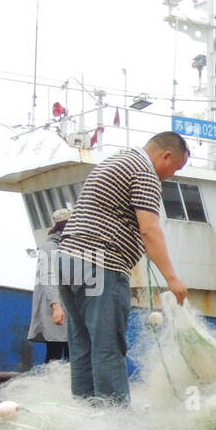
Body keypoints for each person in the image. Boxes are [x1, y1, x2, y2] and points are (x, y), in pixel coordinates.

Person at [56, 132, 191, 404]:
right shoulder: (145, 173)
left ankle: (85, 415)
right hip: (100, 264)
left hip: (67, 261)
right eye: (175, 168)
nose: (171, 175)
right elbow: (150, 230)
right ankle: (114, 422)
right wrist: (172, 279)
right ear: (165, 156)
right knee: (107, 346)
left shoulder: (115, 161)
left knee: (82, 345)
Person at [29, 207, 71, 362]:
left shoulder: (63, 246)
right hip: (54, 308)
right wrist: (56, 306)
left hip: (65, 308)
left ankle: (66, 385)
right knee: (55, 352)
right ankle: (50, 384)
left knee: (70, 352)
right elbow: (48, 277)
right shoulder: (50, 247)